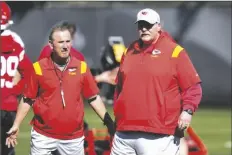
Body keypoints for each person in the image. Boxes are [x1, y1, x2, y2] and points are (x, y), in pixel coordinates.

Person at [5, 22, 115, 155]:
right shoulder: (38, 68)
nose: (65, 46)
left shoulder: (81, 67)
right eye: (61, 42)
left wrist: (108, 121)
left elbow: (93, 97)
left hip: (73, 138)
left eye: (68, 41)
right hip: (43, 135)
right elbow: (27, 98)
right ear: (51, 45)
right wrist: (16, 125)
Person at [110, 8, 202, 155]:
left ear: (159, 26)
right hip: (124, 132)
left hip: (158, 134)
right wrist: (118, 113)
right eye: (141, 25)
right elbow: (119, 88)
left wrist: (187, 111)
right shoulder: (129, 51)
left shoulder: (174, 51)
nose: (144, 29)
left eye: (148, 25)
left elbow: (193, 87)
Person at [1, 2, 34, 155]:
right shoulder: (15, 41)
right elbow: (29, 75)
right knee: (8, 149)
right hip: (9, 105)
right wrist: (13, 91)